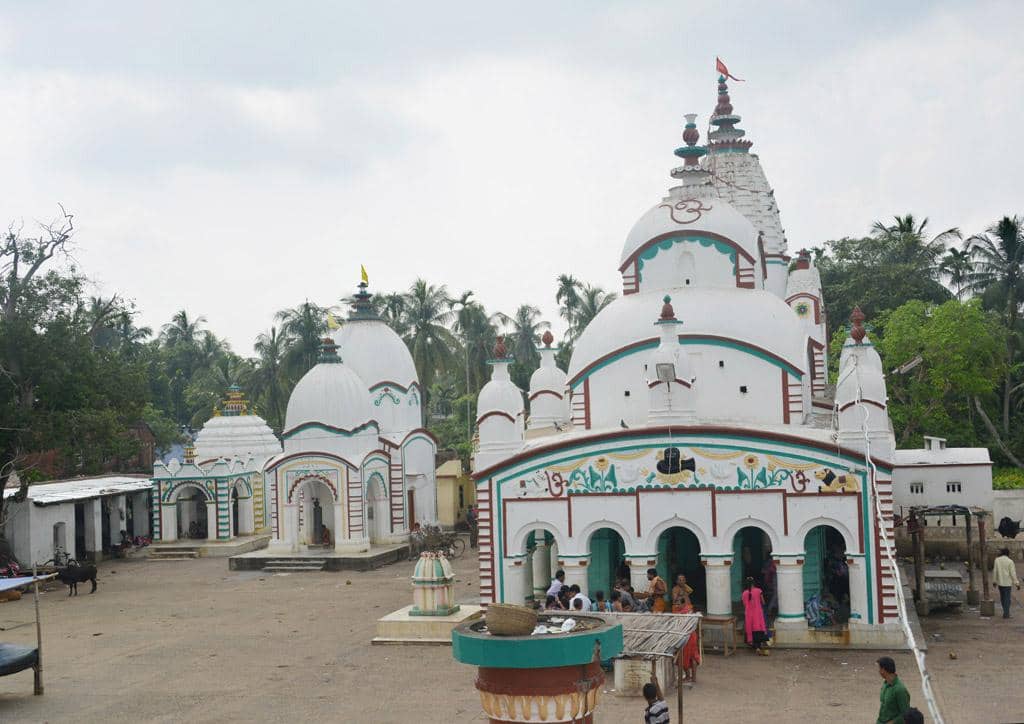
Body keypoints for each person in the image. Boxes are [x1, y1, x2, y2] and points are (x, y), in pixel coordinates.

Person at [875, 656, 910, 724]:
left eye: (879, 668)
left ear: (883, 670)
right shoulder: (885, 684)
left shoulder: (900, 690)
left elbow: (906, 713)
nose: (878, 671)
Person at [741, 577, 769, 655]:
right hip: (757, 613)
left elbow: (744, 604)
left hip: (748, 614)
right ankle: (758, 647)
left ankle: (753, 644)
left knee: (750, 628)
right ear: (754, 583)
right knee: (758, 628)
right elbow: (763, 602)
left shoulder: (744, 593)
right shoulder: (759, 591)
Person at [992, 547, 1020, 619]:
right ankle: (1006, 614)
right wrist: (1017, 583)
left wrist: (994, 581)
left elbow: (995, 571)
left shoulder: (997, 560)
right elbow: (1012, 574)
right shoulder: (1010, 561)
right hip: (1007, 584)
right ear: (1008, 553)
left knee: (1002, 598)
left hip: (1000, 583)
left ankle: (1005, 612)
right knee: (1007, 599)